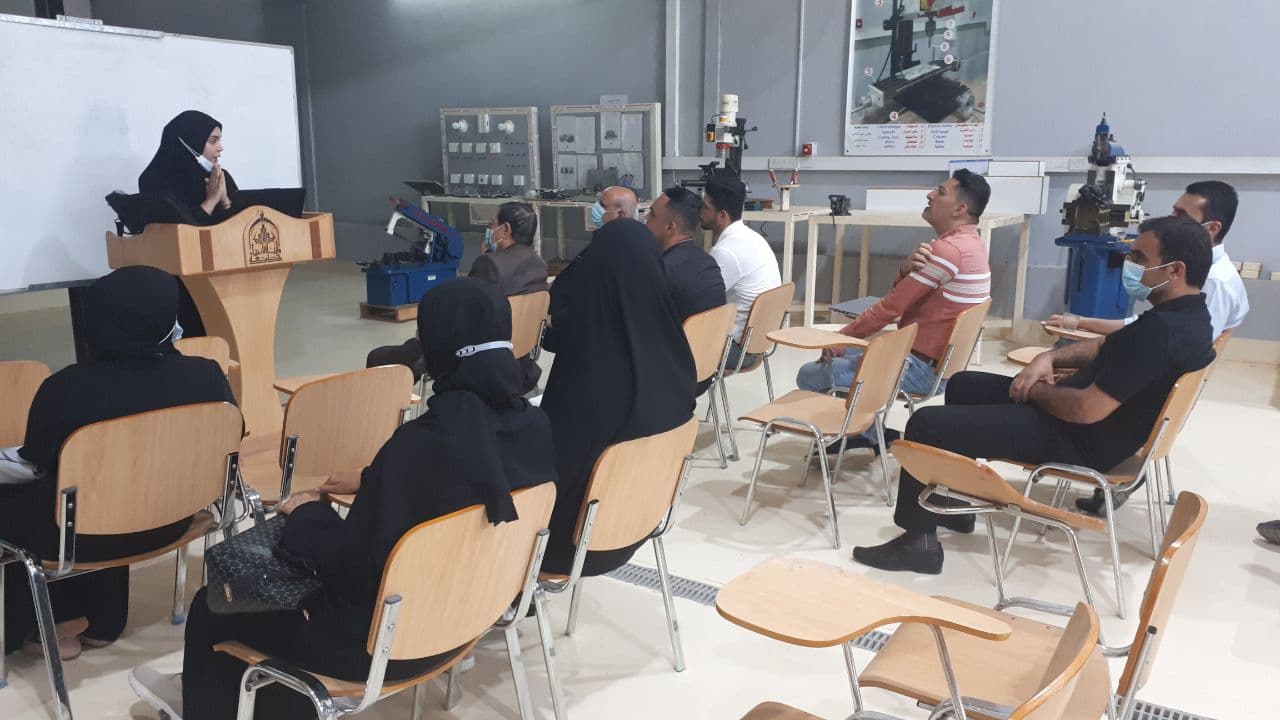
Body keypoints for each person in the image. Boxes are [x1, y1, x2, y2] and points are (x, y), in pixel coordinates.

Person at [131, 278, 557, 720]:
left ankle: (199, 704)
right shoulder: (534, 428)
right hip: (466, 623)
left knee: (213, 604)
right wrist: (377, 479)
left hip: (376, 648)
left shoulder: (420, 446)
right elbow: (460, 485)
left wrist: (307, 516)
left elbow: (349, 568)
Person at [851, 216, 1215, 574]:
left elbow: (1086, 409)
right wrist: (1049, 358)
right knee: (964, 384)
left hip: (1082, 439)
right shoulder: (1190, 318)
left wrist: (1036, 391)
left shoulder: (1160, 334)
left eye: (1139, 258)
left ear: (1174, 270)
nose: (1129, 264)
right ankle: (951, 501)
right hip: (1090, 424)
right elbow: (1104, 347)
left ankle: (918, 544)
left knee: (927, 424)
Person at [2, 266, 235, 661]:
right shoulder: (207, 376)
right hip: (174, 519)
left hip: (79, 537)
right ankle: (104, 622)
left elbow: (33, 465)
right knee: (115, 486)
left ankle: (46, 625)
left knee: (51, 497)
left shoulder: (68, 388)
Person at [795, 169, 993, 453]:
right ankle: (870, 433)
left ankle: (863, 432)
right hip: (941, 366)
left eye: (940, 192)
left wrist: (839, 340)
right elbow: (904, 300)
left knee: (810, 375)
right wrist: (904, 270)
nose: (930, 195)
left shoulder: (947, 252)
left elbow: (889, 308)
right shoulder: (973, 246)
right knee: (854, 353)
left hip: (919, 369)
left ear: (959, 209)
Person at [540, 220, 696, 577]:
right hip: (637, 524)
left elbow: (552, 464)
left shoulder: (588, 369)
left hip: (564, 545)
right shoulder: (677, 361)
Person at [366, 202, 548, 392]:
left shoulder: (489, 264)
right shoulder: (540, 265)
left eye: (493, 224)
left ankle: (388, 406)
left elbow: (463, 313)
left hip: (475, 358)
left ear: (505, 230)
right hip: (519, 357)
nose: (490, 229)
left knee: (379, 356)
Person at [1048, 180, 1249, 340]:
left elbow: (1189, 344)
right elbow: (1149, 325)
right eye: (1173, 211)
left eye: (1181, 216)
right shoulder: (1199, 269)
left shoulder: (1214, 283)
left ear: (1212, 228)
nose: (1170, 220)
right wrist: (1082, 322)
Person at [138, 110, 240, 338]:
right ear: (189, 142)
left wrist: (225, 200)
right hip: (181, 283)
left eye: (219, 140)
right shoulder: (155, 180)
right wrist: (210, 201)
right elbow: (176, 231)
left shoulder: (220, 176)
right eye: (212, 141)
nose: (220, 148)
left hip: (227, 274)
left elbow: (238, 226)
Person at [701, 176, 781, 371]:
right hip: (758, 342)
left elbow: (698, 301)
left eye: (705, 207)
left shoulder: (726, 251)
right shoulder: (753, 238)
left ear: (722, 215)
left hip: (737, 351)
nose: (699, 211)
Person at [646, 186, 727, 322]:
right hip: (713, 335)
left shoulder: (662, 271)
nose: (646, 218)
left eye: (652, 214)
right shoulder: (709, 262)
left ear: (670, 227)